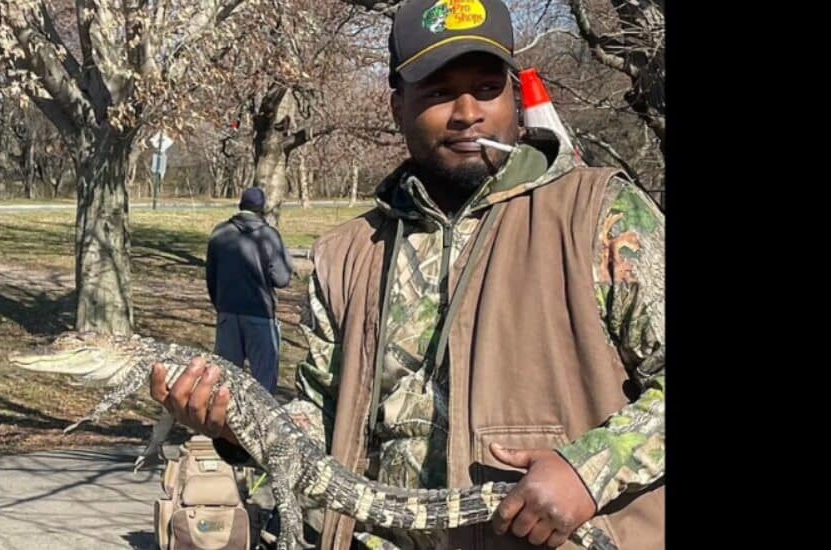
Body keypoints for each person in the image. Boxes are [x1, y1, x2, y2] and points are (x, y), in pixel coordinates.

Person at [151, 0, 664, 548]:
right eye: (440, 92)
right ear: (398, 107)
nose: (468, 111)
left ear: (515, 96)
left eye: (487, 87)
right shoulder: (347, 253)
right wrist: (239, 428)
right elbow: (321, 420)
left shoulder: (599, 214)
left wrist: (589, 468)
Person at [203, 186, 294, 394]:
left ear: (240, 205)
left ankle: (225, 424)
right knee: (263, 386)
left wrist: (221, 305)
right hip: (260, 315)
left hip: (227, 314)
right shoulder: (269, 236)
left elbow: (211, 277)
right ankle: (258, 425)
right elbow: (282, 278)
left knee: (225, 383)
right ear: (262, 209)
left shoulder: (220, 232)